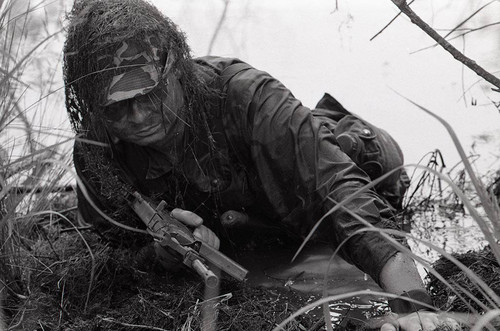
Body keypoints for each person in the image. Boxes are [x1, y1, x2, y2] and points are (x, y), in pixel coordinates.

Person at [63, 1, 456, 330]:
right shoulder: (97, 152)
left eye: (151, 92)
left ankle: (336, 130)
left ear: (177, 70)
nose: (138, 115)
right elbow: (117, 248)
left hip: (340, 163)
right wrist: (161, 254)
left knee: (367, 158)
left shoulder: (246, 97)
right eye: (116, 106)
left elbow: (343, 195)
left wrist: (412, 305)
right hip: (246, 228)